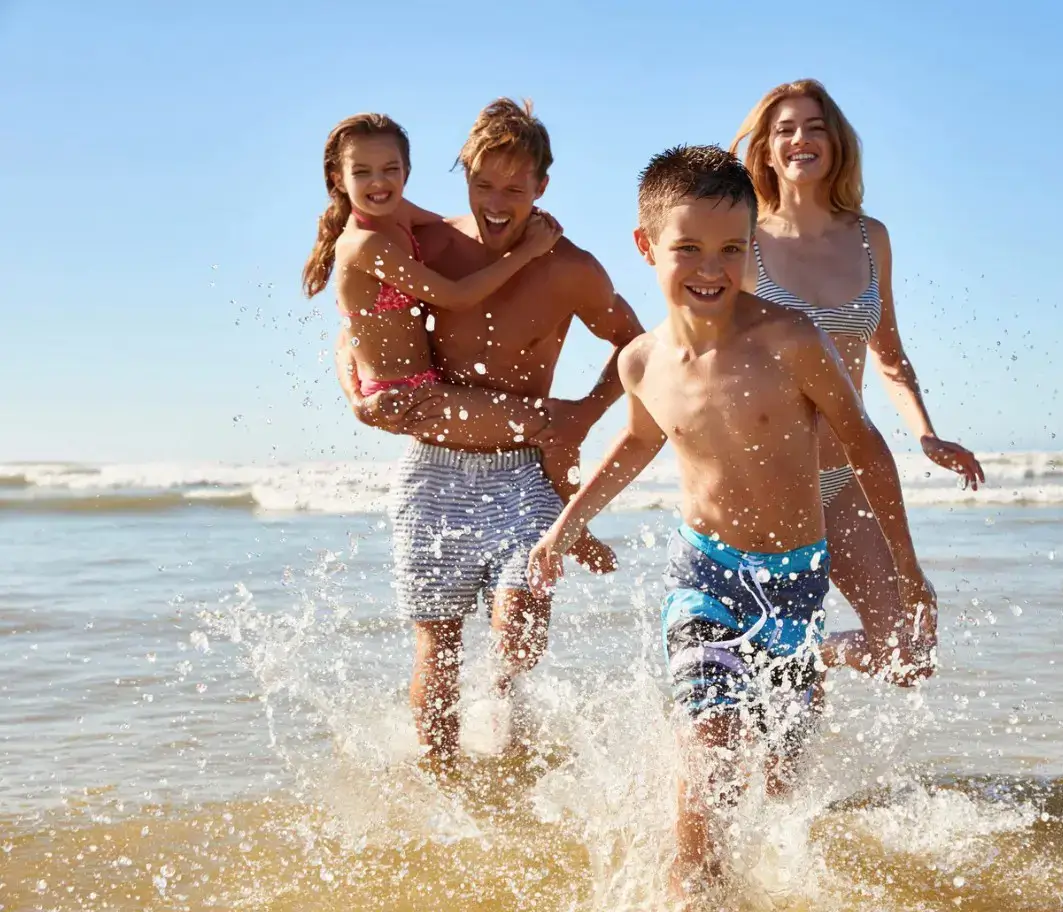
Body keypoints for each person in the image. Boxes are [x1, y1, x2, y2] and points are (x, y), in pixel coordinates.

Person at [527, 145, 936, 901]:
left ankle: (816, 660)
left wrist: (908, 571)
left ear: (752, 247)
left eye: (730, 249)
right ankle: (692, 888)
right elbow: (638, 441)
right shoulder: (641, 362)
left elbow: (865, 448)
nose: (709, 268)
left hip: (797, 581)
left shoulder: (791, 338)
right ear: (646, 245)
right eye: (687, 248)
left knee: (779, 792)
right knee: (709, 758)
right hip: (704, 579)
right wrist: (565, 526)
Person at [331, 99, 644, 763]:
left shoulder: (570, 267)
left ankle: (511, 757)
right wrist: (356, 392)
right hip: (433, 471)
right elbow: (355, 316)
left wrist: (585, 412)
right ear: (463, 175)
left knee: (517, 631)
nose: (496, 204)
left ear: (541, 187)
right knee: (437, 644)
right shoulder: (429, 245)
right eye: (482, 185)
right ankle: (442, 783)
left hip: (522, 471)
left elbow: (635, 345)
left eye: (514, 189)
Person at [731, 79, 985, 645]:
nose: (801, 139)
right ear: (767, 150)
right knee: (771, 660)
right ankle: (802, 666)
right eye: (785, 129)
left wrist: (926, 435)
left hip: (846, 475)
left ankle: (823, 656)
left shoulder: (871, 238)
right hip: (769, 481)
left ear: (837, 144)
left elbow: (888, 355)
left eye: (815, 128)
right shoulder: (742, 242)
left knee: (908, 649)